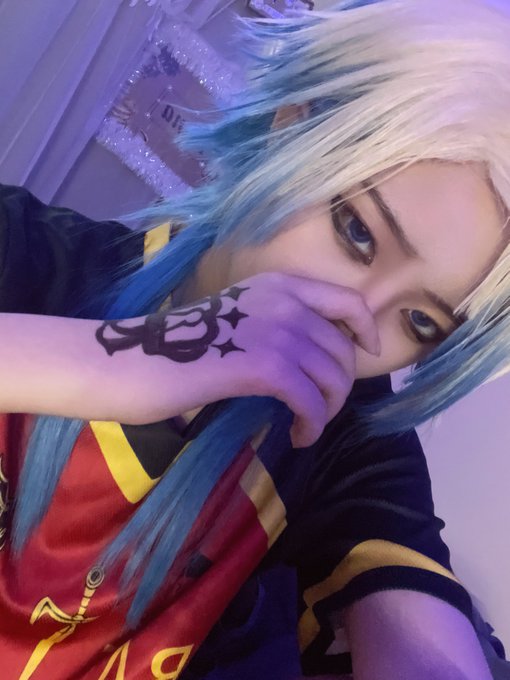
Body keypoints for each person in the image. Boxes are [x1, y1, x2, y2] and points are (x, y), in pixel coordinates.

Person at [0, 0, 510, 677]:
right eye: (355, 230)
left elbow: (426, 645)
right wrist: (131, 361)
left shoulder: (342, 438)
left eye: (420, 322)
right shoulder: (29, 251)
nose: (356, 320)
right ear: (289, 126)